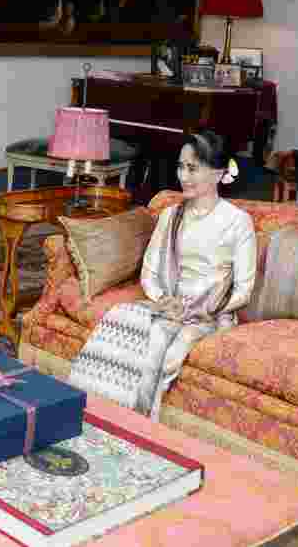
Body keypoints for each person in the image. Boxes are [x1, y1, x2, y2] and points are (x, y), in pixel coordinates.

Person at [67, 130, 257, 420]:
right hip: (168, 305)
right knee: (119, 317)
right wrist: (163, 299)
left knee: (159, 344)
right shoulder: (171, 215)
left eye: (193, 168)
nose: (184, 175)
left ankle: (136, 425)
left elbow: (244, 289)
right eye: (181, 167)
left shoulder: (237, 222)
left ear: (218, 173)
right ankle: (89, 414)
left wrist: (202, 307)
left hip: (211, 312)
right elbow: (150, 272)